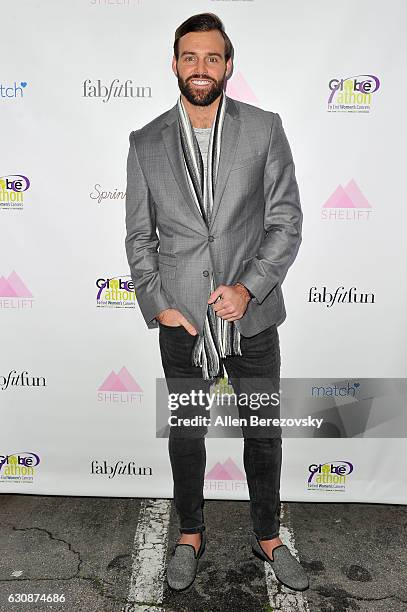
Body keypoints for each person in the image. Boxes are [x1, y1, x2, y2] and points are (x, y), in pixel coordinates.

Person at [125, 12, 308, 592]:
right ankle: (190, 534)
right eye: (189, 57)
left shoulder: (264, 129)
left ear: (229, 66)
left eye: (211, 58)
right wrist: (159, 303)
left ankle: (268, 537)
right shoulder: (146, 141)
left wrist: (248, 286)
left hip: (251, 317)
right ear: (174, 64)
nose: (200, 69)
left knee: (263, 431)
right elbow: (139, 237)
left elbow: (285, 222)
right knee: (186, 433)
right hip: (181, 322)